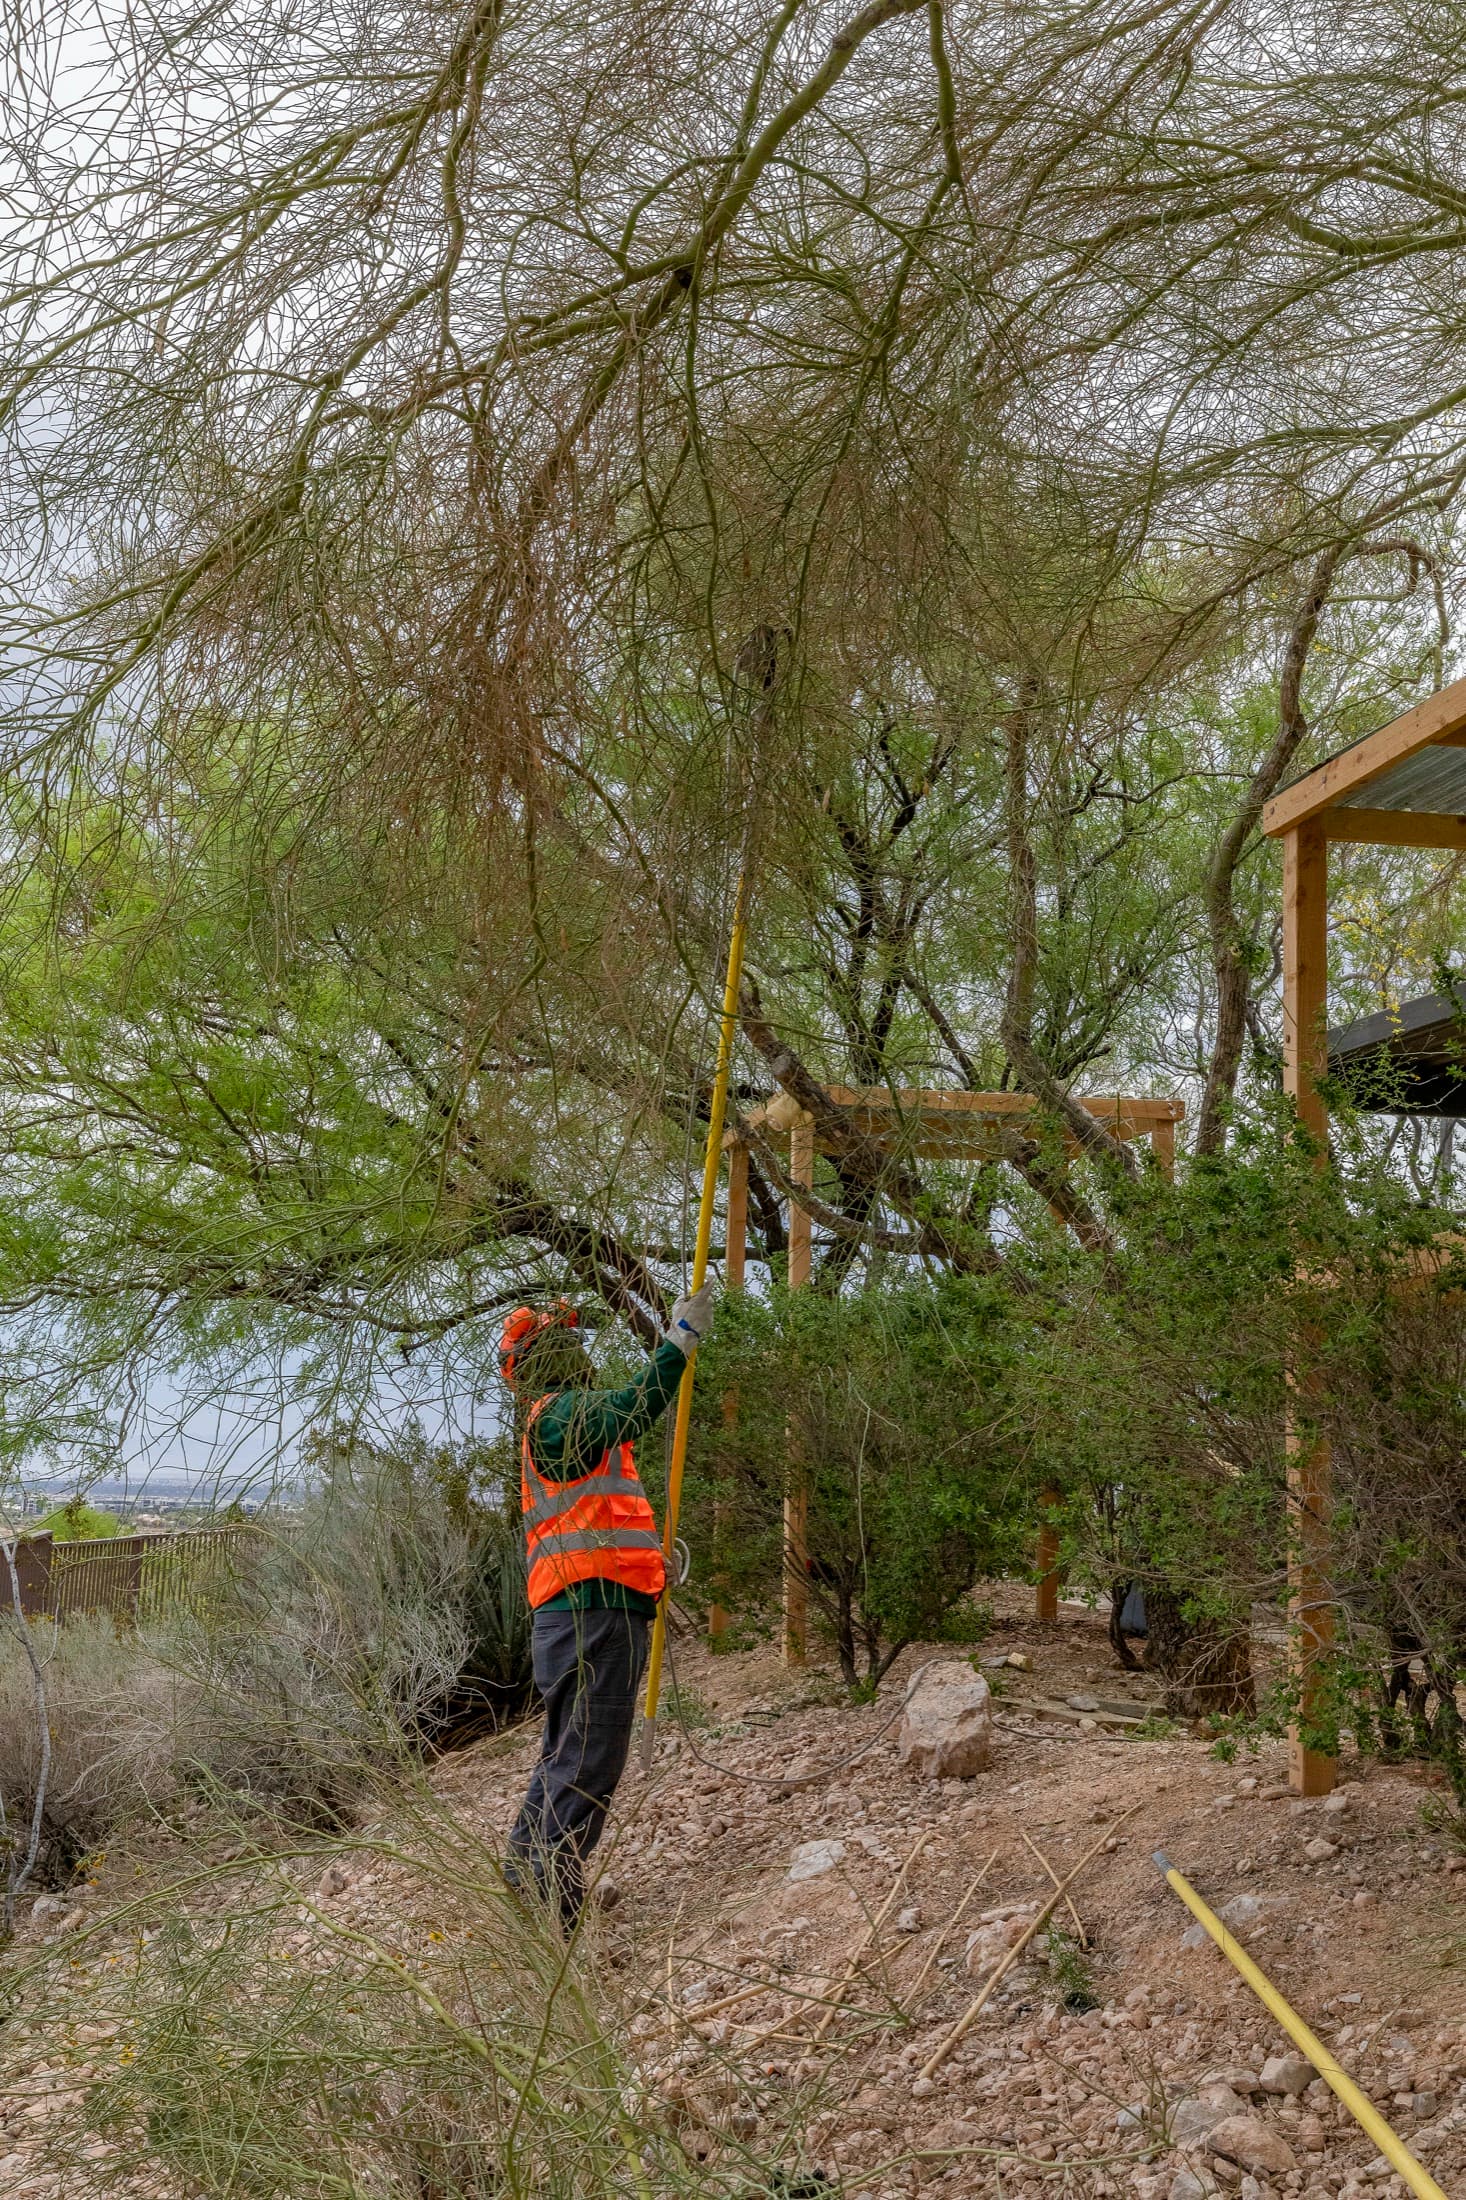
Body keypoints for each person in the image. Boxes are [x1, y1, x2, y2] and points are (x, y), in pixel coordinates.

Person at [501, 1283, 717, 1928]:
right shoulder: (563, 1414)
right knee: (590, 1754)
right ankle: (548, 1893)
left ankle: (525, 1864)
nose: (577, 1349)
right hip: (588, 1612)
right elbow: (632, 1407)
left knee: (570, 1749)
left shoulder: (556, 1418)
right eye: (564, 1341)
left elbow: (599, 1514)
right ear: (545, 1359)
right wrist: (679, 1342)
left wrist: (648, 1561)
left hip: (582, 1609)